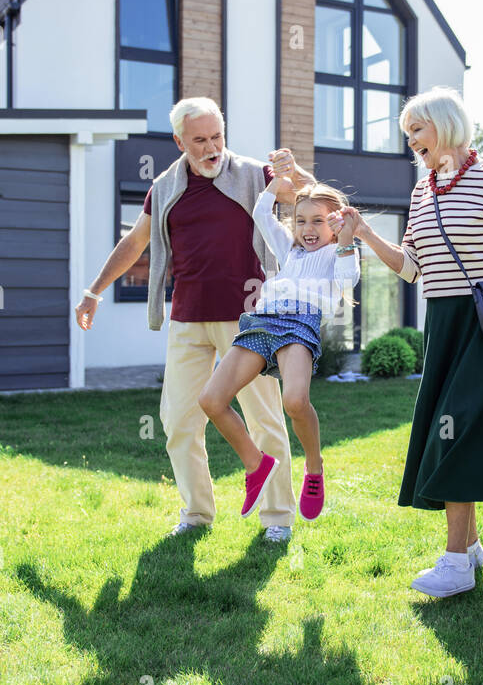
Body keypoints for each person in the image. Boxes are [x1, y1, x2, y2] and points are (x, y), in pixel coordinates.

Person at [340, 87, 483, 599]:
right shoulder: (422, 191)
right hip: (443, 323)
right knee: (454, 432)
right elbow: (412, 267)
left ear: (446, 125)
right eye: (406, 132)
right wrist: (365, 231)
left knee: (452, 435)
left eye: (418, 129)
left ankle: (456, 563)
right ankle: (470, 547)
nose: (411, 139)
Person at [74, 97, 315, 543]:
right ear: (179, 141)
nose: (211, 148)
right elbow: (135, 242)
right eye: (200, 140)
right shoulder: (164, 187)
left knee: (263, 417)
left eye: (217, 137)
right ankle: (197, 513)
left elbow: (308, 200)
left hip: (250, 319)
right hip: (187, 318)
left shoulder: (250, 174)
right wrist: (94, 291)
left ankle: (277, 517)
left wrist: (295, 173)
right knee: (179, 419)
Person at [198, 178, 360, 522]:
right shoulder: (289, 250)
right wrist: (278, 185)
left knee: (295, 402)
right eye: (301, 221)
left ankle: (314, 467)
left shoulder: (337, 252)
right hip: (263, 320)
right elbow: (261, 211)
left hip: (299, 324)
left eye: (318, 220)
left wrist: (345, 239)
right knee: (211, 400)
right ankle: (256, 465)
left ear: (335, 222)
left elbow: (348, 282)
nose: (308, 228)